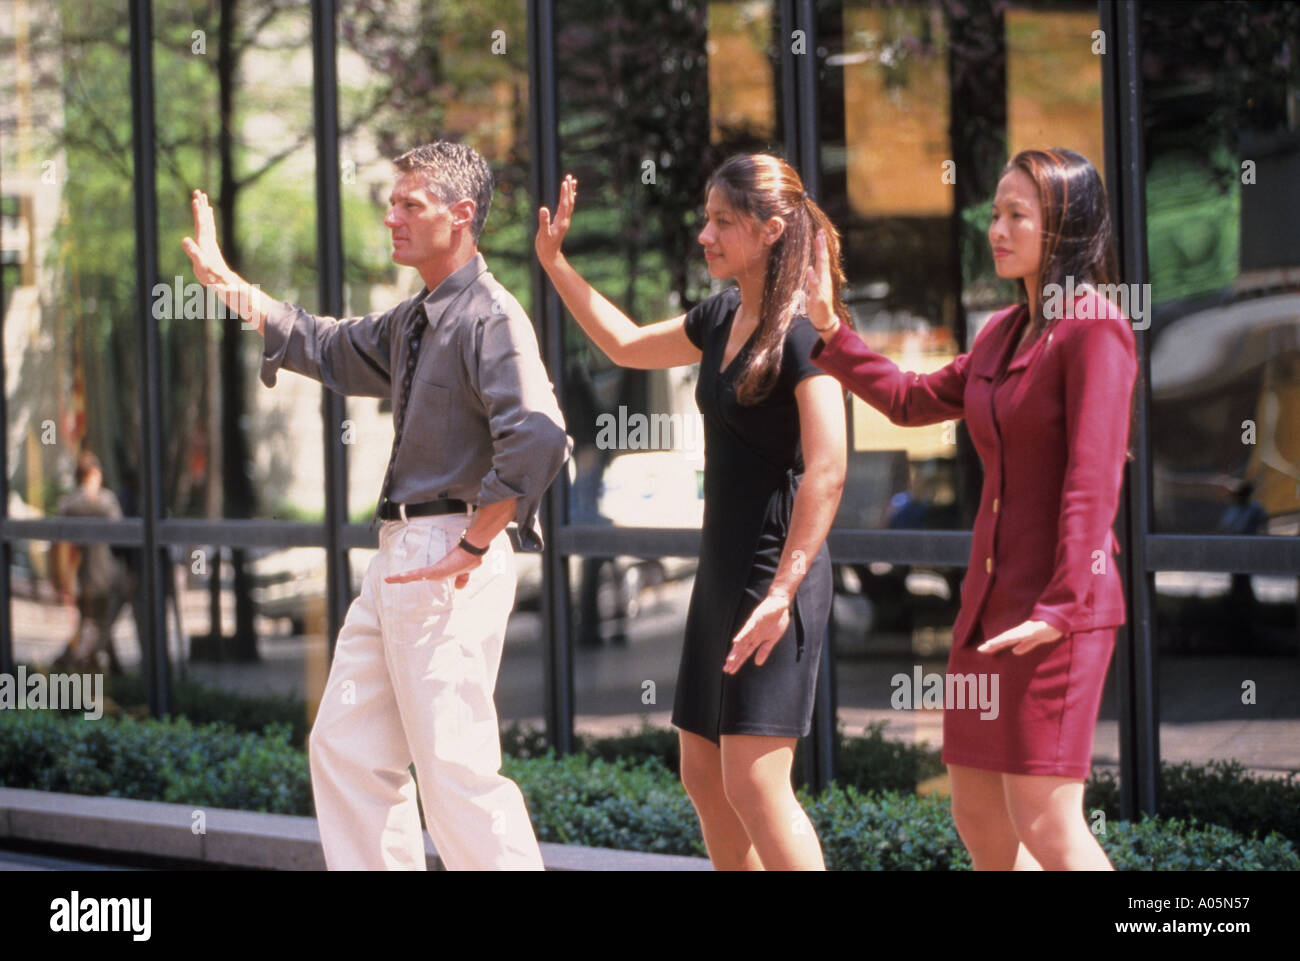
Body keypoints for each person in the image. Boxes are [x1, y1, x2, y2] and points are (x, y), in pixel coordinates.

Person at [183, 140, 571, 870]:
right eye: (390, 202)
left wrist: (477, 540)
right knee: (347, 749)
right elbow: (323, 344)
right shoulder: (418, 318)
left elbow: (541, 435)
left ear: (461, 216)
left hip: (447, 554)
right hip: (403, 555)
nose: (391, 216)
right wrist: (227, 282)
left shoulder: (490, 314)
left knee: (454, 770)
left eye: (409, 205)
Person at [805, 148, 1137, 870]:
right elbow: (910, 397)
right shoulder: (1000, 333)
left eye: (1019, 214)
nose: (998, 227)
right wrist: (832, 333)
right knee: (980, 815)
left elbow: (1093, 482)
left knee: (1047, 823)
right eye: (994, 212)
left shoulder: (1095, 329)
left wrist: (1061, 606)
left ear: (1067, 229)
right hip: (987, 611)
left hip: (1058, 614)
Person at [535, 154, 848, 870]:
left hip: (776, 572)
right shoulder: (719, 317)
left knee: (757, 782)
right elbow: (622, 343)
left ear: (771, 230)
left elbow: (828, 471)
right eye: (705, 219)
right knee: (705, 776)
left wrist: (781, 591)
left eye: (721, 222)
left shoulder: (804, 333)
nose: (704, 235)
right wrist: (556, 265)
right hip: (721, 571)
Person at [55, 450, 128, 674]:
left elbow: (58, 538)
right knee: (97, 624)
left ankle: (108, 668)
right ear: (93, 473)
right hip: (103, 573)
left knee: (93, 620)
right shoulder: (104, 501)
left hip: (82, 573)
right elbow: (122, 533)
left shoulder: (69, 503)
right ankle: (72, 661)